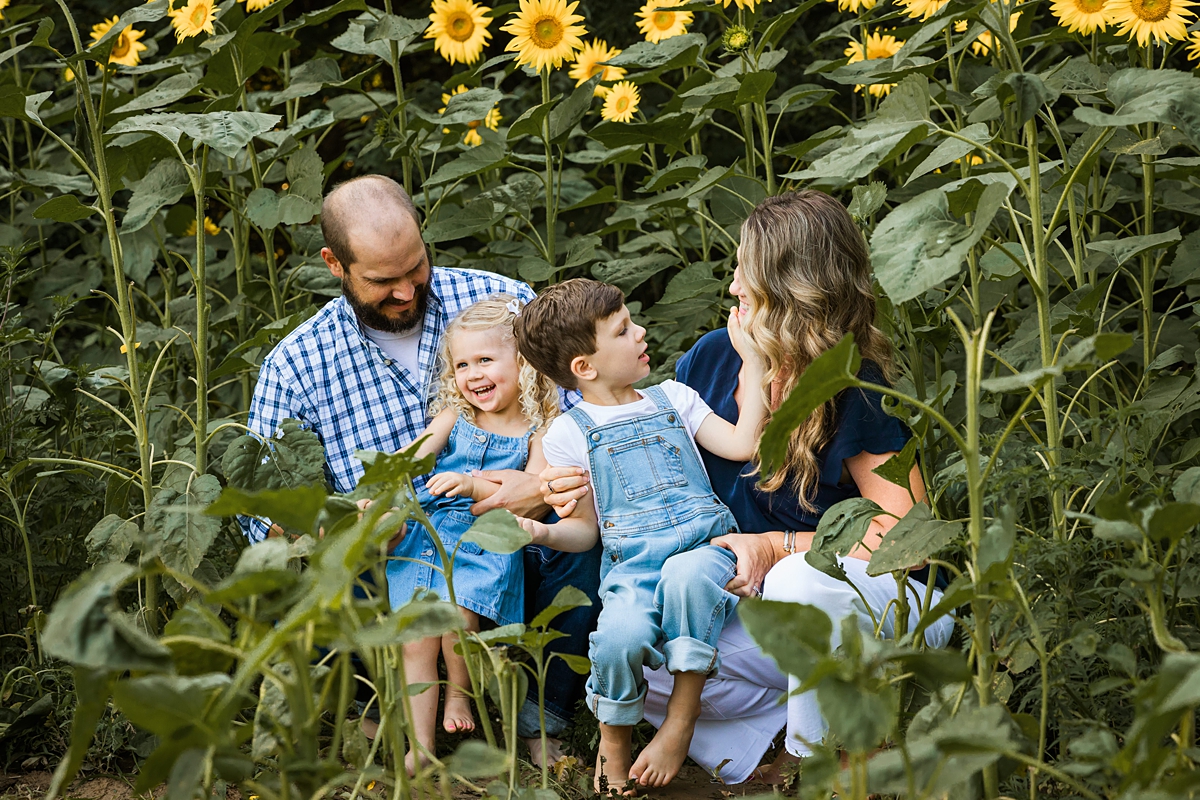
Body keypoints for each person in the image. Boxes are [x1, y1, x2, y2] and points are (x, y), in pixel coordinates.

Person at [540, 190, 954, 785]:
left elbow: (910, 544)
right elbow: (653, 478)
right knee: (642, 652)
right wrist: (564, 487)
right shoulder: (712, 359)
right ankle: (770, 742)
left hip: (881, 608)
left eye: (746, 274)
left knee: (798, 581)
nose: (732, 287)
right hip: (758, 605)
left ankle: (825, 766)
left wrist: (778, 546)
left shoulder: (853, 386)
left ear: (791, 291)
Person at [241, 175, 602, 757]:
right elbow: (267, 516)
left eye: (416, 268)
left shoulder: (500, 301)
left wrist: (539, 484)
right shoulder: (298, 364)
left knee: (580, 540)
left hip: (513, 541)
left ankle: (540, 718)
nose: (408, 292)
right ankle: (393, 707)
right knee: (325, 571)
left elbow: (591, 406)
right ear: (335, 264)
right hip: (398, 557)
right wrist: (343, 521)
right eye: (383, 281)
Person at [512, 278, 768, 792]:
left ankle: (681, 717)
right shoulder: (568, 434)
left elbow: (743, 443)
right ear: (585, 367)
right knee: (617, 638)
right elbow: (585, 533)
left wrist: (754, 363)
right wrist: (542, 531)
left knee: (688, 577)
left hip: (706, 548)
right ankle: (614, 741)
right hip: (632, 565)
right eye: (624, 330)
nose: (641, 331)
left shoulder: (674, 398)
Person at [385, 294, 559, 772]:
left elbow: (539, 487)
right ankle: (420, 744)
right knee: (416, 635)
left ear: (522, 361)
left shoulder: (540, 426)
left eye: (486, 359)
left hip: (488, 535)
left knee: (460, 617)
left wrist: (471, 483)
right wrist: (389, 480)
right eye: (462, 364)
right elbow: (419, 452)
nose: (473, 374)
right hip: (433, 531)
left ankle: (458, 699)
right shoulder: (456, 415)